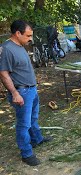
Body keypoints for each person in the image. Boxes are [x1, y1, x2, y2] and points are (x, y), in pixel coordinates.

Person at [0, 20, 51, 166]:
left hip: (31, 89)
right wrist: (15, 93)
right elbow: (3, 74)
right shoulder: (6, 49)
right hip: (21, 91)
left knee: (33, 118)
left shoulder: (20, 45)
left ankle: (37, 139)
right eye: (28, 35)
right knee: (24, 124)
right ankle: (26, 154)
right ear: (17, 33)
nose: (30, 39)